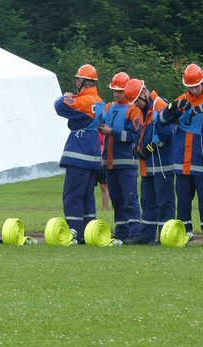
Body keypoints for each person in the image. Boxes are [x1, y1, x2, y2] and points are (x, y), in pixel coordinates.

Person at [158, 64, 203, 247]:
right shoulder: (181, 100)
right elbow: (162, 121)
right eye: (190, 87)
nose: (193, 90)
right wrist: (173, 106)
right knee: (182, 202)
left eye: (196, 86)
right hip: (182, 162)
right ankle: (184, 235)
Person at [54, 64, 105, 243]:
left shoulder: (85, 101)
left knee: (72, 195)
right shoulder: (100, 102)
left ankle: (74, 232)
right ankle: (89, 232)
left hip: (79, 154)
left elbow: (60, 106)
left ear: (81, 81)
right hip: (92, 155)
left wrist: (66, 97)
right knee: (87, 196)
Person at [97, 74, 144, 245]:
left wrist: (112, 132)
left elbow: (134, 135)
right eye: (114, 91)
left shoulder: (133, 110)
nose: (116, 94)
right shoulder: (108, 107)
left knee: (129, 197)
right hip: (110, 163)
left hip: (126, 163)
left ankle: (134, 232)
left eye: (120, 91)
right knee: (117, 199)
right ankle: (121, 231)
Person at [133, 85, 175, 245]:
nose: (135, 104)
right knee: (148, 202)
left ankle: (166, 236)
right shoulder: (144, 109)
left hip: (162, 165)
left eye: (137, 100)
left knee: (165, 203)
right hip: (149, 166)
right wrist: (138, 148)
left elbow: (165, 133)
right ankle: (146, 237)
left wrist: (147, 149)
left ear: (144, 92)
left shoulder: (159, 105)